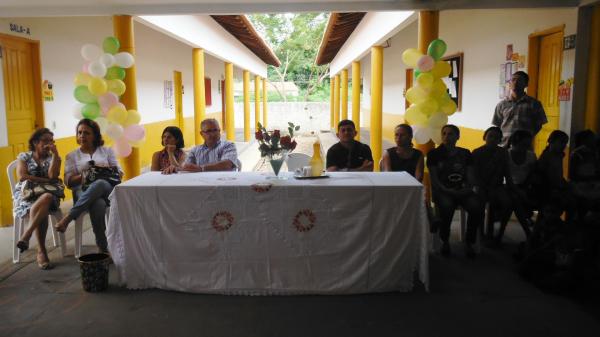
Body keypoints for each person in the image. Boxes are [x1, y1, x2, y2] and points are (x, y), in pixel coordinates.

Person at [54, 119, 122, 254]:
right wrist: (84, 176)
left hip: (106, 188)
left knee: (100, 183)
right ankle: (102, 247)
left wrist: (103, 170)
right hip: (82, 190)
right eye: (79, 133)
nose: (82, 136)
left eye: (86, 133)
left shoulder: (107, 151)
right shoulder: (72, 155)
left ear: (95, 135)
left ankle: (68, 218)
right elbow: (68, 181)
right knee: (97, 204)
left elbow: (119, 173)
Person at [427, 124, 485, 258]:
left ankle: (469, 242)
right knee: (447, 207)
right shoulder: (434, 154)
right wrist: (448, 190)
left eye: (451, 134)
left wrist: (468, 189)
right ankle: (445, 240)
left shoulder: (465, 153)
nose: (447, 136)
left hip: (463, 190)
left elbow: (471, 176)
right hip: (443, 191)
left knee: (476, 206)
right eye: (444, 134)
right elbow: (434, 180)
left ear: (458, 136)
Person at [13, 128, 62, 269]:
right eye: (45, 141)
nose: (49, 144)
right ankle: (42, 251)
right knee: (43, 209)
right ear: (35, 142)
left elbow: (53, 176)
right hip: (27, 195)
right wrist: (44, 180)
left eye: (51, 141)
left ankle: (27, 236)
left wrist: (55, 155)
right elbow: (22, 176)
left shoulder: (54, 158)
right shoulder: (24, 157)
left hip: (49, 195)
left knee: (46, 198)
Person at [472, 126, 512, 245]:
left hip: (498, 187)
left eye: (497, 137)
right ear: (484, 137)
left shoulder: (503, 153)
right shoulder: (477, 152)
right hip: (481, 186)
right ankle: (481, 233)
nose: (493, 139)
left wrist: (511, 188)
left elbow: (507, 172)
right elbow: (474, 175)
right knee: (480, 202)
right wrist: (480, 186)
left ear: (500, 140)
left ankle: (499, 233)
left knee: (508, 203)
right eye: (490, 136)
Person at [492, 71, 547, 146]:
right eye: (513, 80)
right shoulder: (502, 104)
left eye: (520, 80)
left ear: (526, 84)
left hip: (524, 148)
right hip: (504, 146)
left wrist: (528, 137)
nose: (515, 82)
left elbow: (539, 124)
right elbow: (497, 125)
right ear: (510, 83)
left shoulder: (534, 104)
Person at [164, 118, 238, 174]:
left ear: (219, 131)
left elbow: (227, 165)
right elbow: (187, 167)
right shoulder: (195, 150)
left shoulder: (229, 146)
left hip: (224, 183)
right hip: (202, 185)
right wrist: (177, 168)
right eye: (209, 131)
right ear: (201, 134)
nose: (213, 134)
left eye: (215, 130)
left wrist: (201, 168)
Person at [504, 130, 537, 240]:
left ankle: (500, 234)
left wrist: (524, 189)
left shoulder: (531, 156)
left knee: (513, 202)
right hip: (507, 186)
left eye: (528, 144)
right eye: (524, 144)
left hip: (524, 186)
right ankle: (528, 232)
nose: (527, 147)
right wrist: (519, 191)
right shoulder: (506, 155)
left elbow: (532, 175)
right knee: (515, 199)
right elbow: (508, 179)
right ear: (515, 142)